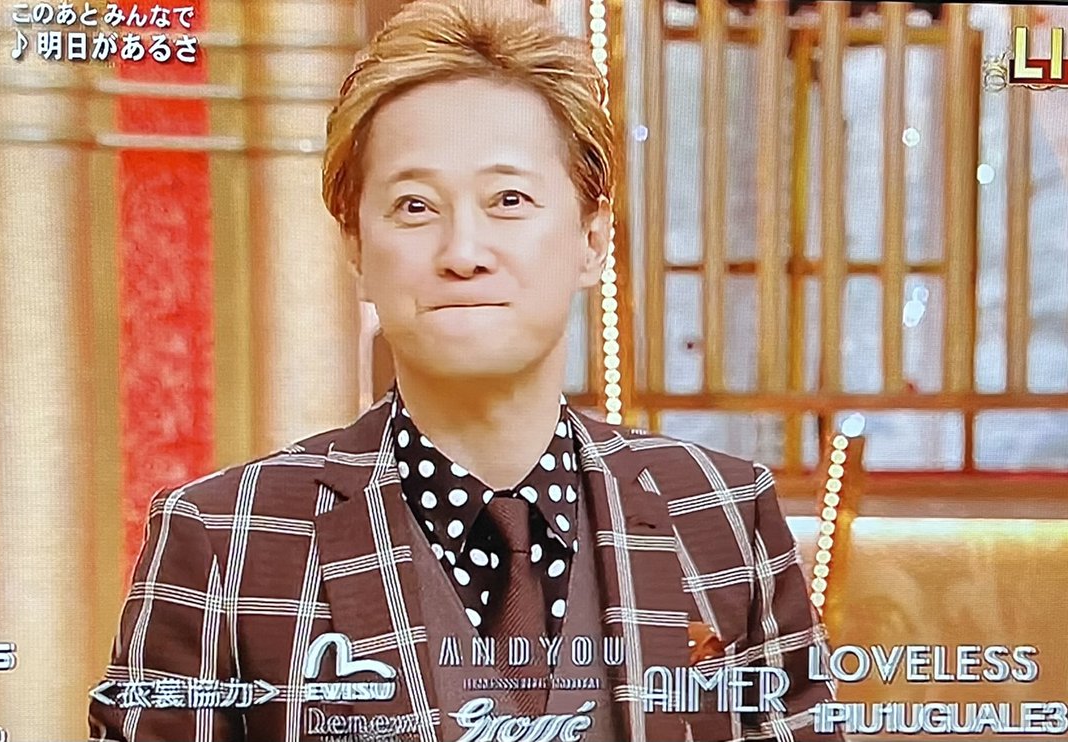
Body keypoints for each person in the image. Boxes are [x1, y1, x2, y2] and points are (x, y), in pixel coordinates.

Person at [88, 1, 842, 740]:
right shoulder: (222, 540)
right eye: (415, 207)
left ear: (591, 238)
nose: (463, 252)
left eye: (509, 199)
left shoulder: (724, 514)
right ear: (357, 251)